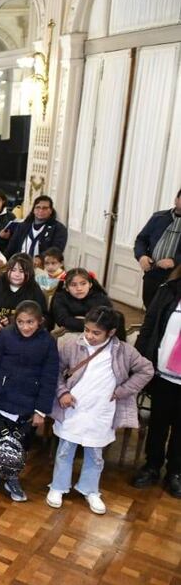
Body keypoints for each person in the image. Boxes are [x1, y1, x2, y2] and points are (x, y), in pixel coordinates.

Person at [48, 307, 153, 514]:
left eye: (96, 333)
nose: (89, 336)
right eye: (87, 330)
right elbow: (56, 370)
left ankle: (90, 489)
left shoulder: (124, 351)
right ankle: (58, 486)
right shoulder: (71, 344)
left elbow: (146, 370)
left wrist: (122, 391)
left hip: (102, 410)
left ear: (111, 332)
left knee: (95, 453)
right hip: (73, 408)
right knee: (65, 450)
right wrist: (62, 393)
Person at [0, 300, 59, 502]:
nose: (25, 327)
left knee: (21, 444)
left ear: (40, 321)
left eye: (30, 322)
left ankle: (13, 477)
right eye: (21, 322)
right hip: (2, 401)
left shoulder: (48, 342)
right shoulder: (4, 336)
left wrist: (41, 410)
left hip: (28, 405)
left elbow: (50, 377)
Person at [131, 266, 181, 498]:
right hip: (162, 374)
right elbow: (149, 326)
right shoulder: (168, 290)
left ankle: (175, 473)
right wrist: (140, 362)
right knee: (158, 423)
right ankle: (151, 466)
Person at [0, 254, 51, 334]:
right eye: (13, 270)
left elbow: (42, 316)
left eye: (22, 271)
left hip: (21, 333)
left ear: (29, 273)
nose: (17, 274)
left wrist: (13, 321)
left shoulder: (34, 289)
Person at [134, 188, 181, 307]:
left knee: (166, 308)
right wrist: (142, 256)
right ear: (176, 200)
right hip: (153, 269)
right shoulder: (159, 217)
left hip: (176, 274)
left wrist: (174, 261)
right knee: (149, 304)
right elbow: (141, 240)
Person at [2, 195, 68, 260]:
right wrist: (3, 260)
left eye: (45, 208)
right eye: (38, 207)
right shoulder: (22, 226)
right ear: (33, 210)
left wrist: (40, 259)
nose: (41, 210)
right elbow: (11, 248)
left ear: (51, 211)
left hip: (45, 267)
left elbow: (56, 251)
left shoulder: (59, 229)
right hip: (21, 266)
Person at [49, 269, 112, 333]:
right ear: (67, 288)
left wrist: (76, 320)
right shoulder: (60, 297)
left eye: (83, 284)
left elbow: (107, 321)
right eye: (73, 285)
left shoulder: (100, 297)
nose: (79, 288)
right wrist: (91, 323)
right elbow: (62, 320)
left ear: (90, 284)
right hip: (69, 333)